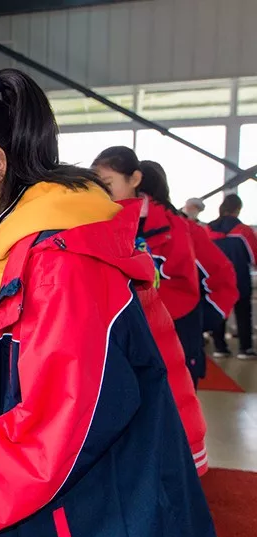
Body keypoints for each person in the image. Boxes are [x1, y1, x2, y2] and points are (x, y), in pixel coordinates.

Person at [0, 69, 220, 537]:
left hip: (90, 530)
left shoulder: (62, 263)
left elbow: (57, 430)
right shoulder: (13, 245)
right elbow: (36, 382)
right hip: (68, 516)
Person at [93, 147, 205, 382]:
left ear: (135, 179)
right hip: (120, 337)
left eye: (108, 183)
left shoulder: (170, 227)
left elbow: (186, 286)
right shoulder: (98, 222)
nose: (103, 192)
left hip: (163, 332)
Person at [139, 160, 239, 382]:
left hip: (177, 345)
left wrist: (200, 321)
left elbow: (222, 276)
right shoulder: (117, 230)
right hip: (134, 347)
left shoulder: (186, 232)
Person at [208, 193, 257, 359]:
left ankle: (219, 347)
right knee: (243, 313)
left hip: (215, 278)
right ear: (238, 209)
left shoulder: (208, 229)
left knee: (219, 311)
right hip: (239, 276)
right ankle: (245, 349)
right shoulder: (244, 230)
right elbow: (254, 257)